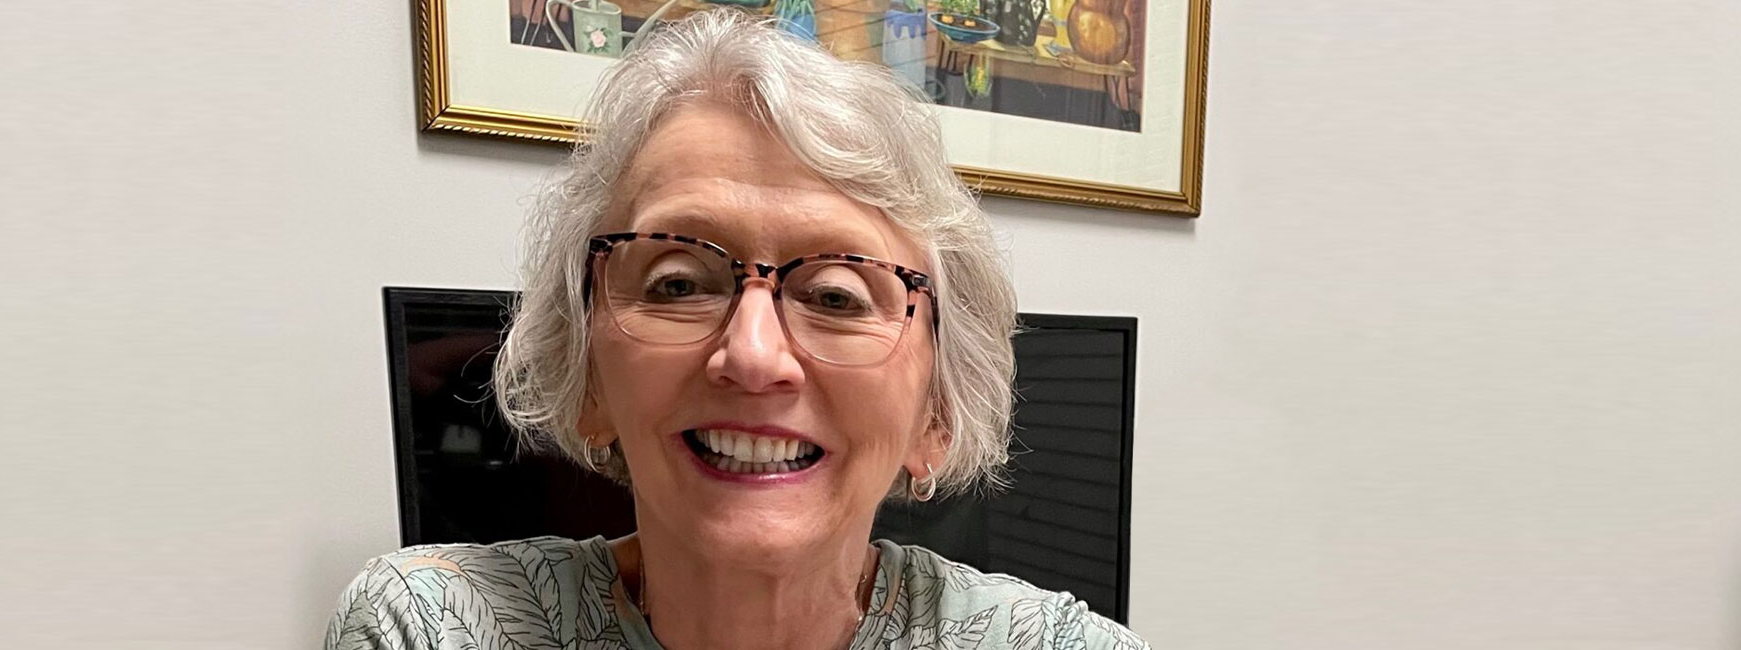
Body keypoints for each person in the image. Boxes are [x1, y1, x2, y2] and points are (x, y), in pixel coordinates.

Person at [325, 8, 1148, 650]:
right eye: (678, 282)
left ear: (936, 412)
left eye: (836, 297)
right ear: (586, 379)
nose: (753, 356)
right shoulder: (431, 629)